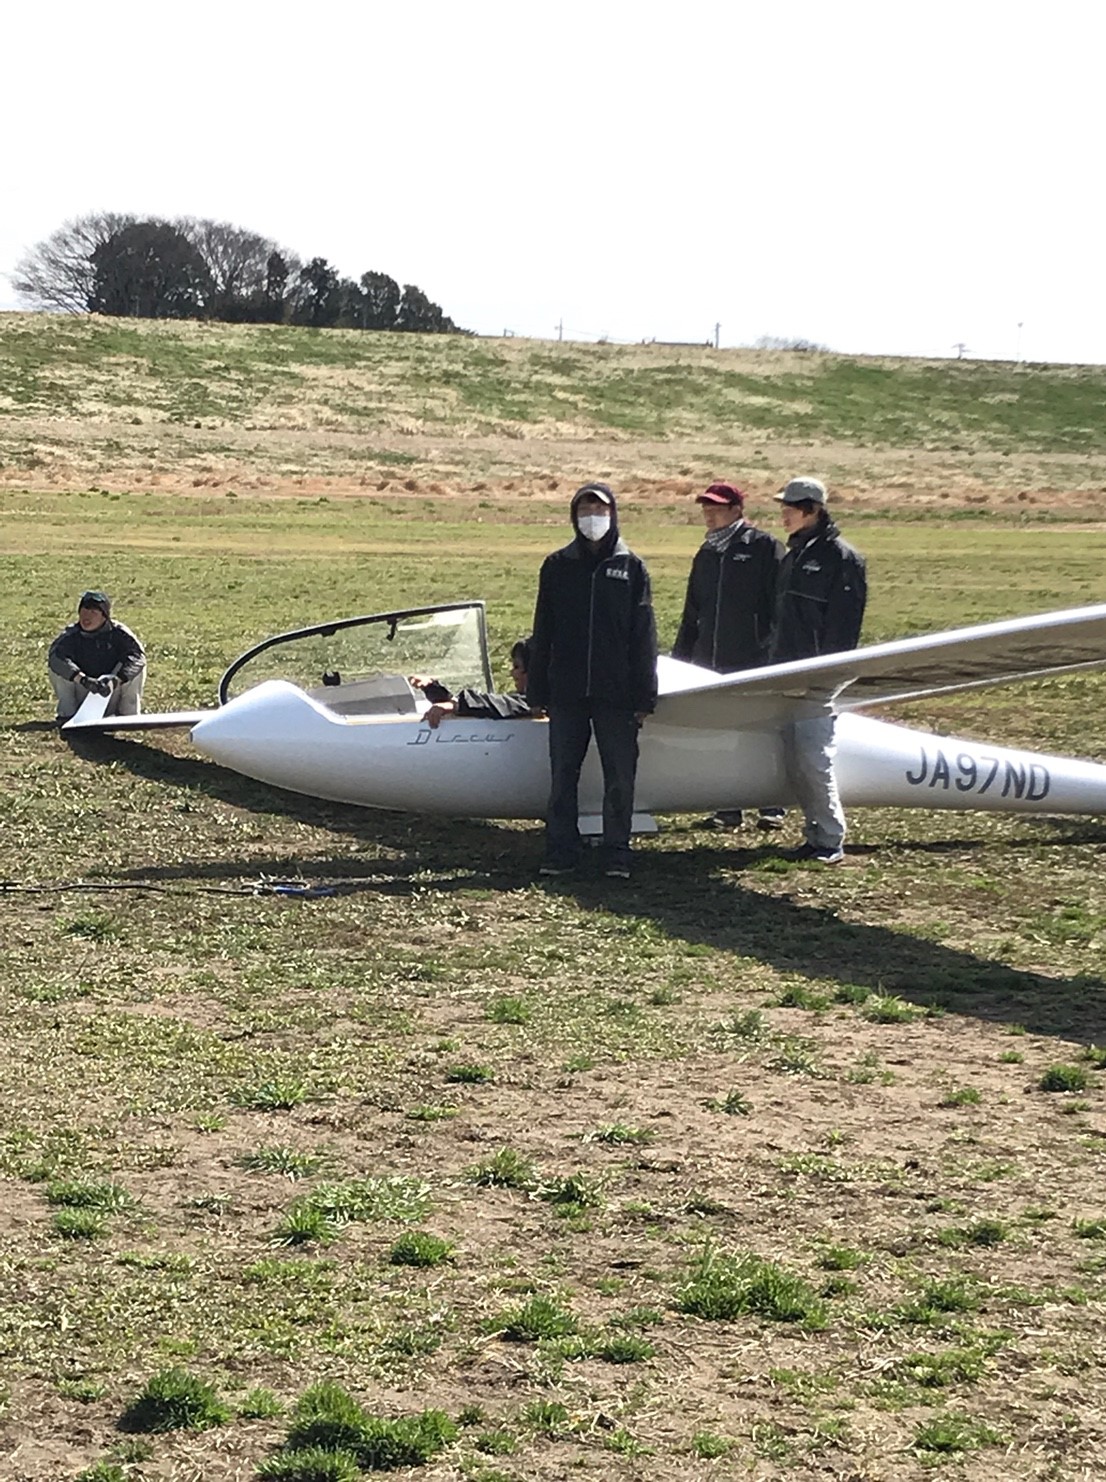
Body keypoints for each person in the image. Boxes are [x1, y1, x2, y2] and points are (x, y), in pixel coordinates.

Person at [527, 482, 658, 879]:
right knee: (563, 774)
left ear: (613, 514)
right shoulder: (557, 565)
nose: (592, 517)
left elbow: (644, 636)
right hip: (567, 691)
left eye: (599, 510)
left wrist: (644, 696)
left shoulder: (631, 567)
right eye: (585, 510)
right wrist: (537, 689)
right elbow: (543, 629)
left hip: (616, 694)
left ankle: (617, 851)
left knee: (620, 775)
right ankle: (561, 850)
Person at [672, 480, 786, 830]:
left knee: (762, 731)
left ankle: (771, 805)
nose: (709, 514)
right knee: (721, 733)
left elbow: (780, 606)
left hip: (754, 659)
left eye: (717, 508)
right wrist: (682, 657)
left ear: (737, 510)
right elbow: (693, 612)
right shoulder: (706, 554)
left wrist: (774, 653)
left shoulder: (765, 547)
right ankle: (727, 807)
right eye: (706, 508)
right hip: (710, 660)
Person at [769, 477, 867, 864]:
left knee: (812, 756)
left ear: (812, 510)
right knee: (796, 758)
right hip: (787, 672)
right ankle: (815, 835)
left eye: (790, 508)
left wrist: (823, 672)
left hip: (817, 676)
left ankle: (829, 839)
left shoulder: (842, 558)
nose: (784, 515)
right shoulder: (795, 554)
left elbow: (843, 629)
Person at [47, 590, 147, 724]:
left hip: (111, 692)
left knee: (137, 668)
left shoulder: (120, 634)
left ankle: (128, 716)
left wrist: (115, 681)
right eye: (84, 611)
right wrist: (83, 680)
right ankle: (67, 715)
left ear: (104, 616)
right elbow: (56, 658)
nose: (86, 617)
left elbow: (137, 658)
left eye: (93, 612)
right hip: (83, 692)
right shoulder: (70, 636)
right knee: (58, 668)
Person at [413, 638, 533, 728]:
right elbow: (485, 707)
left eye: (517, 667)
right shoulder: (521, 703)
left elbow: (503, 705)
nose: (512, 673)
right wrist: (432, 688)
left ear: (533, 671)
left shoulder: (536, 705)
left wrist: (457, 705)